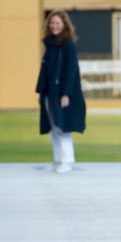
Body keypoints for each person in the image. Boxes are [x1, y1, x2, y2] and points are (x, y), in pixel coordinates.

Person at [35, 10, 86, 173]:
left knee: (64, 127)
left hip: (63, 93)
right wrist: (41, 92)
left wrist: (66, 94)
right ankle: (58, 160)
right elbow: (45, 70)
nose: (54, 26)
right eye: (52, 23)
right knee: (53, 127)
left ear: (64, 25)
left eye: (57, 23)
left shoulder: (68, 45)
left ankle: (67, 161)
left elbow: (71, 71)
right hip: (49, 92)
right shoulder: (49, 45)